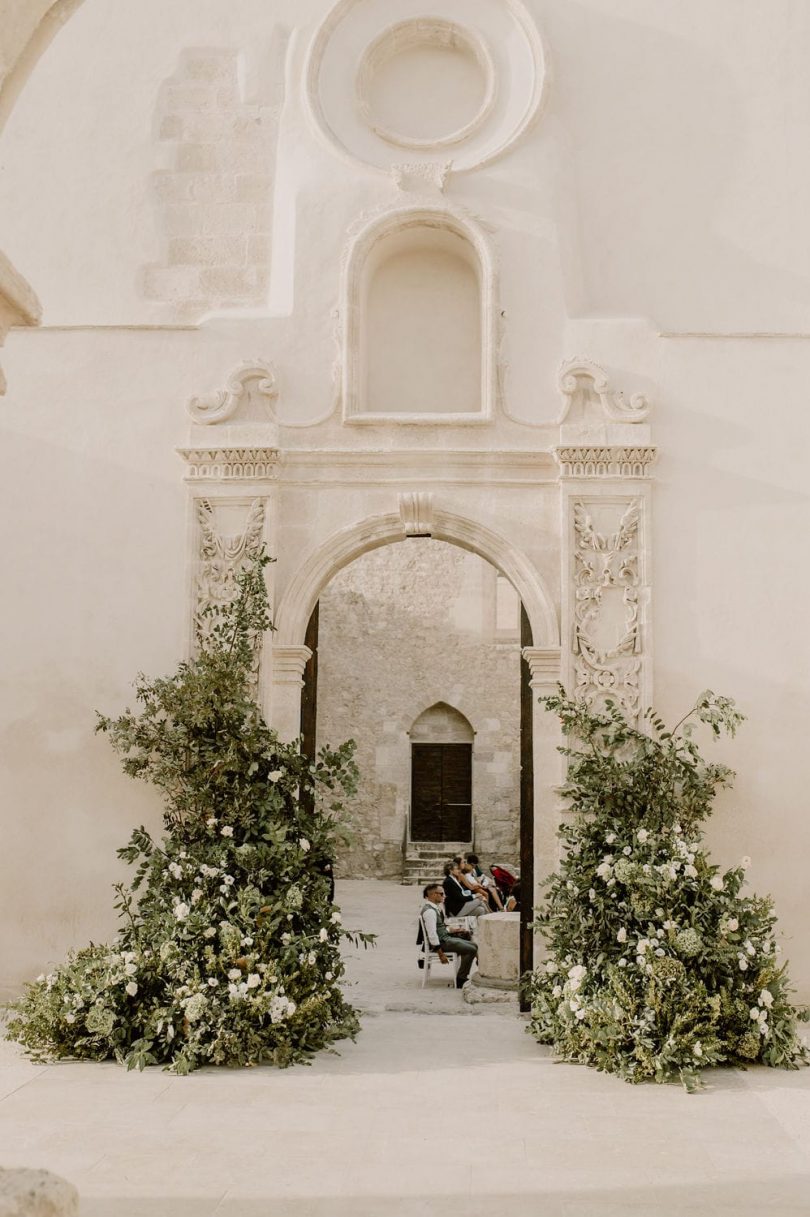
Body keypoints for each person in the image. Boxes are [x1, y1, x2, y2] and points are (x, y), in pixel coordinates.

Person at [420, 883, 478, 988]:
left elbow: (439, 927)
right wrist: (440, 954)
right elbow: (432, 934)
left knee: (474, 945)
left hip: (445, 938)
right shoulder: (429, 911)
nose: (444, 896)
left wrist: (451, 929)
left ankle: (462, 975)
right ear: (433, 895)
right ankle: (461, 979)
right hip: (442, 943)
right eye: (442, 894)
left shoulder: (435, 908)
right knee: (471, 949)